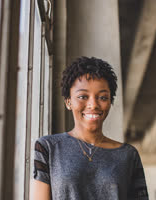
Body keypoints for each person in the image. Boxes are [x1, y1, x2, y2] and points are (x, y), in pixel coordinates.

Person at [32, 57, 148, 200]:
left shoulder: (128, 155)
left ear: (110, 103)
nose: (93, 105)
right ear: (68, 102)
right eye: (82, 96)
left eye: (103, 97)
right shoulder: (48, 148)